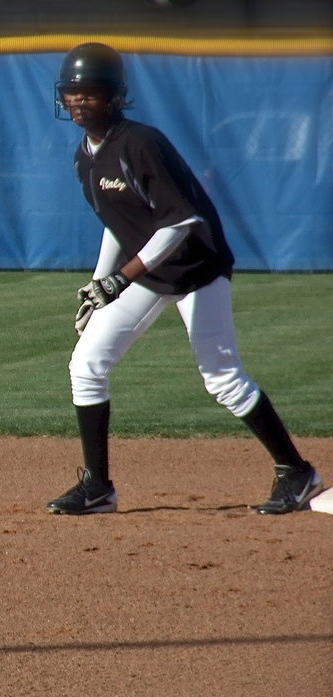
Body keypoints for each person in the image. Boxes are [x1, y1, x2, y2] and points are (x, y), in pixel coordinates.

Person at [47, 43, 323, 516]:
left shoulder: (140, 143)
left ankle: (296, 471)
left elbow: (180, 222)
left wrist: (120, 280)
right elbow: (118, 225)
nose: (77, 101)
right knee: (86, 364)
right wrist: (99, 288)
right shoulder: (85, 158)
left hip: (196, 267)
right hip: (151, 273)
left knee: (221, 378)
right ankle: (98, 486)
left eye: (89, 93)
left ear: (114, 97)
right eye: (71, 93)